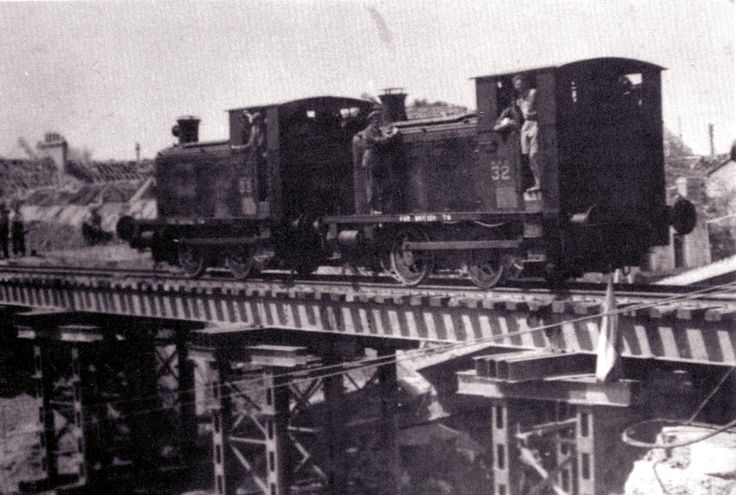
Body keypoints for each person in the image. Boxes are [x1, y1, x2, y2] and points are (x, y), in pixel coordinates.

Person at [352, 110, 400, 214]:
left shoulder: (378, 130)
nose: (377, 121)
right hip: (371, 160)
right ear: (371, 121)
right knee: (372, 185)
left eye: (378, 119)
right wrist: (392, 135)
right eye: (375, 119)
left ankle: (382, 207)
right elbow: (379, 141)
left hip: (379, 160)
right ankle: (373, 209)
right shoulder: (369, 131)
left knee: (383, 184)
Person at [513, 74, 541, 191]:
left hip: (535, 123)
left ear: (525, 83)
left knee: (534, 155)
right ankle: (536, 182)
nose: (519, 87)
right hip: (526, 126)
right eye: (516, 85)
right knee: (527, 156)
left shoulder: (533, 93)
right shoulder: (519, 99)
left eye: (520, 84)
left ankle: (540, 182)